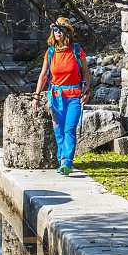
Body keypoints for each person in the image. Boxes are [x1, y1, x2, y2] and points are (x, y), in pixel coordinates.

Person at [32, 17, 90, 175]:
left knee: (70, 128)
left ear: (67, 32)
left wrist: (87, 90)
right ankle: (61, 160)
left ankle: (67, 162)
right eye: (55, 29)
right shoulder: (50, 52)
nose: (57, 32)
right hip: (56, 97)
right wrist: (36, 95)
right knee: (59, 131)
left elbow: (85, 72)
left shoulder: (77, 50)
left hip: (74, 96)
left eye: (61, 29)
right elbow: (43, 75)